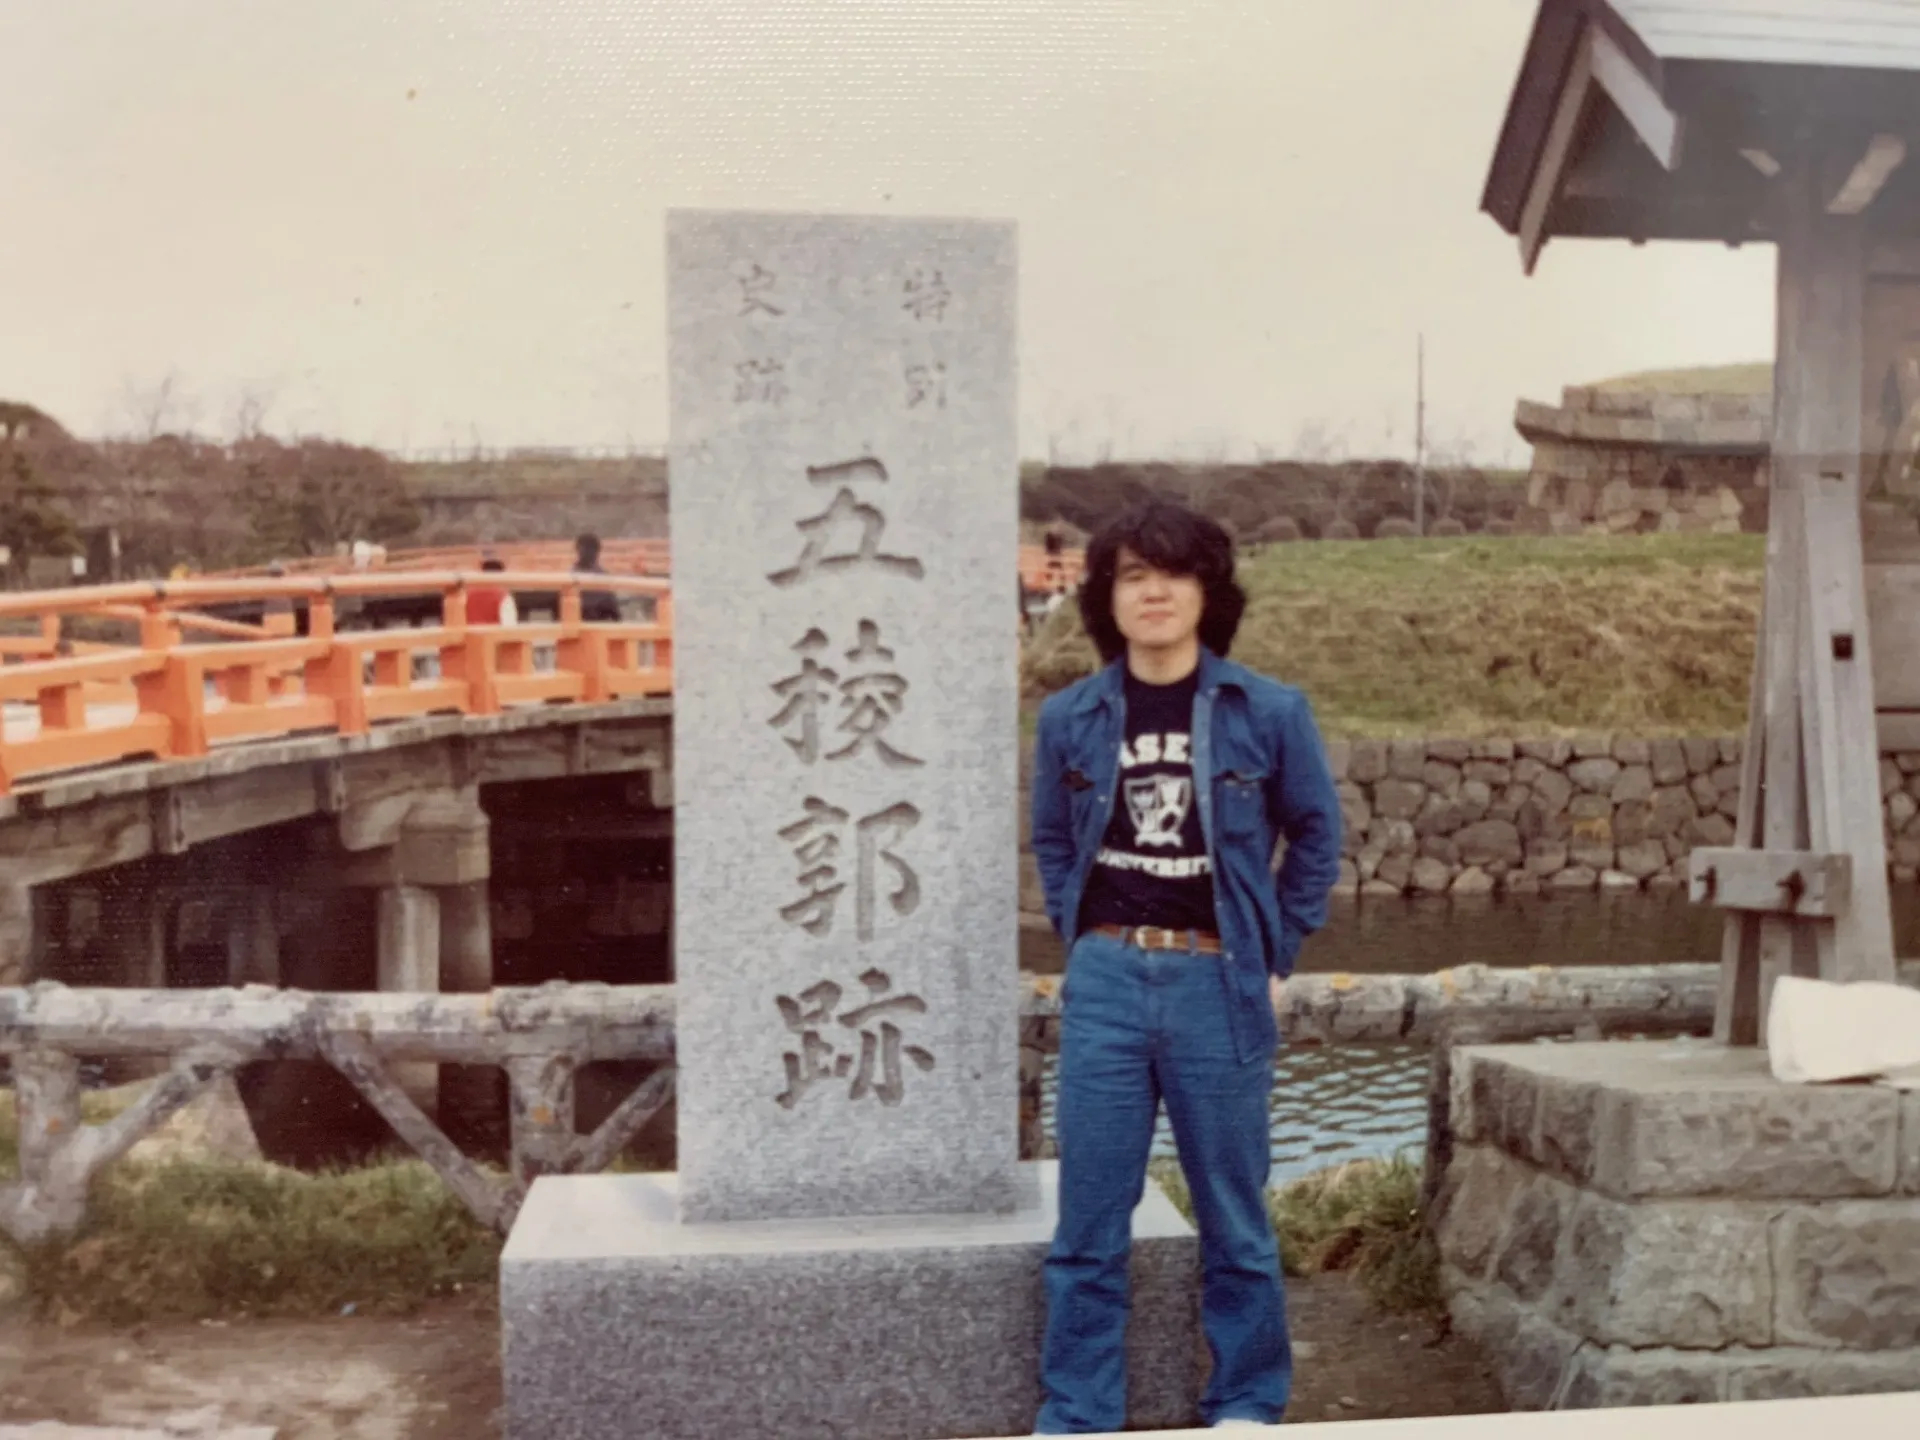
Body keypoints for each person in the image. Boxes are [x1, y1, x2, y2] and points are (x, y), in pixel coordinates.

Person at [1028, 496, 1343, 1433]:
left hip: (1219, 982)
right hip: (1107, 983)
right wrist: (1085, 938)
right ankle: (1078, 1412)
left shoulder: (1269, 711)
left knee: (1234, 1219)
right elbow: (1053, 840)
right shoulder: (1070, 717)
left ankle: (1245, 1402)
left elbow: (1316, 835)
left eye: (1173, 573)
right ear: (1107, 597)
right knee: (1089, 1220)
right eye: (1133, 575)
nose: (1154, 591)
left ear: (1208, 591)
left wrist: (1275, 951)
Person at [574, 532, 621, 623]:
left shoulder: (568, 576)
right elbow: (615, 614)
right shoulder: (604, 578)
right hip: (596, 626)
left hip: (572, 625)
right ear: (597, 552)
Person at [468, 555, 517, 626]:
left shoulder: (468, 595)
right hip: (494, 633)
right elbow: (509, 627)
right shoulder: (503, 597)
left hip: (468, 633)